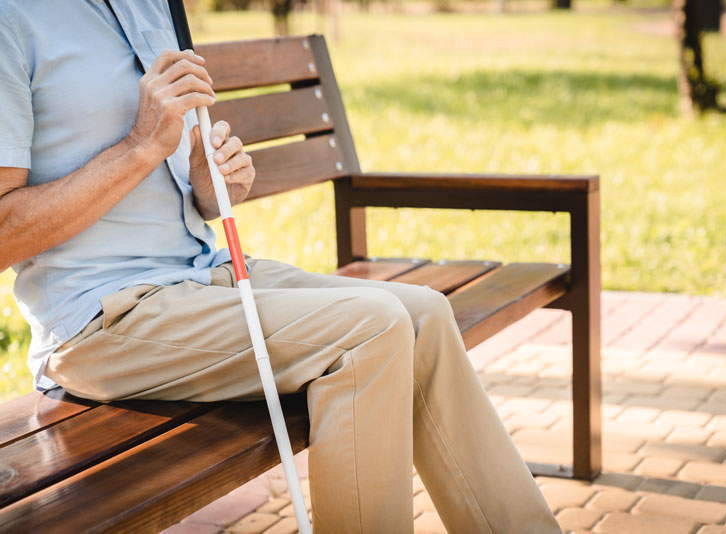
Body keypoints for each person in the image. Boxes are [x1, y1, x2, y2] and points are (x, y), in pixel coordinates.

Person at [0, 1, 561, 532]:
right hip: (101, 320)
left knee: (424, 315)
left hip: (200, 275)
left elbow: (171, 175)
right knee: (371, 331)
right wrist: (141, 146)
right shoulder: (13, 19)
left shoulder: (152, 6)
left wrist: (211, 184)